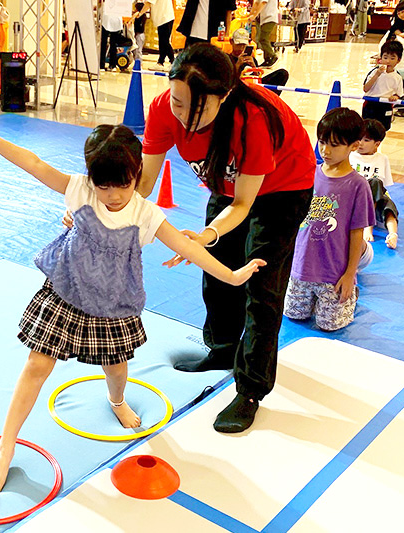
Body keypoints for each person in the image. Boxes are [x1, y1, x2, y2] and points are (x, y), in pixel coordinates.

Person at [0, 108, 267, 492]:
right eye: (104, 186)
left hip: (113, 303)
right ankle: (5, 448)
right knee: (37, 365)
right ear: (91, 178)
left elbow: (189, 247)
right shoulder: (79, 189)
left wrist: (233, 275)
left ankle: (116, 400)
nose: (113, 195)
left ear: (136, 176)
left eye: (121, 185)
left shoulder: (143, 212)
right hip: (66, 292)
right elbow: (32, 163)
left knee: (116, 368)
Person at [140, 44, 315, 433]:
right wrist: (102, 207)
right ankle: (221, 349)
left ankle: (251, 389)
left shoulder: (253, 120)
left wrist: (205, 234)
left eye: (195, 108)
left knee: (261, 286)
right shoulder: (163, 109)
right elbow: (144, 182)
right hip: (227, 182)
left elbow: (242, 205)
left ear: (224, 96)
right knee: (217, 271)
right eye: (178, 102)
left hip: (283, 189)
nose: (183, 117)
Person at [283, 108, 375, 332]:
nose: (325, 150)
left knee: (329, 325)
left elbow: (356, 232)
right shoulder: (309, 173)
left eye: (334, 144)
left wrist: (349, 273)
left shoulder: (357, 185)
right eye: (322, 142)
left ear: (353, 145)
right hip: (302, 267)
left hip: (333, 272)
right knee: (294, 315)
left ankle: (351, 294)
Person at [350, 119, 400, 249]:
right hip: (354, 197)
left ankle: (392, 235)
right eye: (359, 138)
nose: (360, 143)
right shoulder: (350, 155)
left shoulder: (382, 159)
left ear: (377, 144)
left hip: (376, 198)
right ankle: (367, 226)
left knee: (388, 205)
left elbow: (384, 185)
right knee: (370, 183)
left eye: (366, 140)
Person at [227, 28, 289, 92]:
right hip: (238, 89)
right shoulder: (227, 59)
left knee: (282, 73)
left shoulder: (251, 59)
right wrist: (237, 65)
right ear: (231, 42)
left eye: (244, 45)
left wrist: (254, 67)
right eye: (238, 45)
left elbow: (258, 79)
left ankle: (268, 99)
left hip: (253, 88)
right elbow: (227, 81)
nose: (241, 48)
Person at [363, 40, 404, 131]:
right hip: (370, 103)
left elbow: (399, 94)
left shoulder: (398, 77)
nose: (388, 61)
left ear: (398, 60)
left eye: (392, 58)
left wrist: (395, 97)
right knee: (367, 129)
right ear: (380, 58)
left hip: (386, 106)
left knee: (382, 129)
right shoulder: (374, 72)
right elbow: (365, 88)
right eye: (385, 57)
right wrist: (377, 75)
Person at [132, 0, 175, 71]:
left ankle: (173, 62)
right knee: (162, 42)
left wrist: (139, 14)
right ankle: (160, 62)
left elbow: (148, 4)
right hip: (166, 17)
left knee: (164, 42)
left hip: (164, 18)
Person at [248, 0, 279, 66]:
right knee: (262, 38)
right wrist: (250, 14)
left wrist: (254, 15)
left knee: (263, 38)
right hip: (264, 19)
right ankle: (267, 59)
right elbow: (256, 3)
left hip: (270, 17)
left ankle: (272, 55)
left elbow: (263, 2)